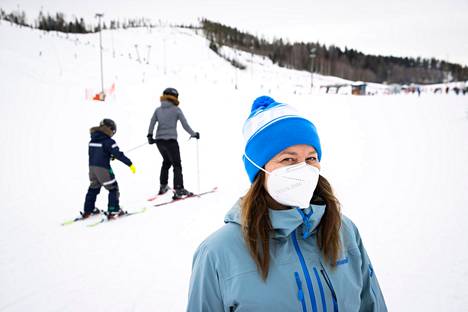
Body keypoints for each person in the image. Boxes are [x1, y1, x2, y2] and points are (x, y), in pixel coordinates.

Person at [187, 96, 387, 311]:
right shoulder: (218, 251)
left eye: (311, 158)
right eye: (288, 159)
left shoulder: (343, 230)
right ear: (260, 169)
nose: (303, 169)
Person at [147, 87, 199, 199]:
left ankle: (163, 186)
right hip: (171, 141)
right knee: (176, 164)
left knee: (166, 162)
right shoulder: (176, 109)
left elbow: (152, 123)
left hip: (159, 141)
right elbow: (185, 125)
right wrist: (194, 133)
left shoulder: (158, 110)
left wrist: (150, 136)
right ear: (174, 97)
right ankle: (179, 188)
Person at [82, 118, 136, 219]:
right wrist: (130, 164)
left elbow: (96, 154)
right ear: (110, 129)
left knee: (93, 188)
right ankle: (113, 210)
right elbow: (119, 155)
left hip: (92, 169)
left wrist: (109, 155)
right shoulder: (109, 141)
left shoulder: (92, 140)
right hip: (103, 169)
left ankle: (88, 210)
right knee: (113, 188)